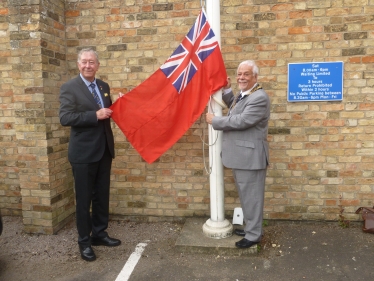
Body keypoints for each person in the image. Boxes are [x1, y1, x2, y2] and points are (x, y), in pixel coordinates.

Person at [59, 48, 121, 261]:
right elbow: (65, 117)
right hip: (83, 154)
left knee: (101, 196)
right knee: (84, 200)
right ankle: (84, 242)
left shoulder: (103, 86)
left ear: (98, 65)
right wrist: (94, 115)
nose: (88, 65)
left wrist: (120, 103)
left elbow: (108, 110)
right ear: (78, 64)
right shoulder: (70, 88)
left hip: (104, 150)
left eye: (92, 62)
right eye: (84, 62)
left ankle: (100, 234)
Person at [206, 60, 270, 249]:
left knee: (252, 197)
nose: (241, 77)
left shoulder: (259, 97)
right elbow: (235, 106)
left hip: (250, 158)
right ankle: (252, 228)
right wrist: (226, 91)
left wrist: (215, 120)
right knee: (246, 196)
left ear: (255, 77)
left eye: (246, 74)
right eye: (239, 74)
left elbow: (241, 120)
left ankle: (253, 235)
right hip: (243, 156)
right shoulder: (246, 95)